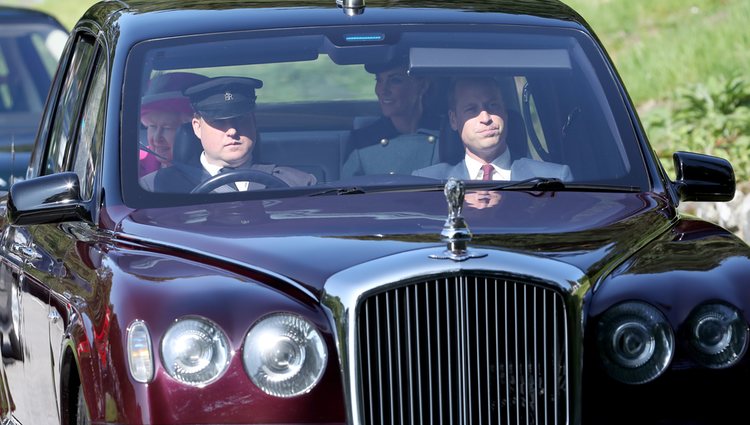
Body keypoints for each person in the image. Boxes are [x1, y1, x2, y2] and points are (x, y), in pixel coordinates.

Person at [146, 76, 317, 192]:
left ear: (253, 122)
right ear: (197, 127)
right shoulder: (156, 187)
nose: (232, 130)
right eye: (218, 121)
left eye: (240, 119)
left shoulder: (297, 184)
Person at [412, 76, 572, 181]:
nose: (486, 118)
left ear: (505, 113)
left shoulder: (554, 179)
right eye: (471, 109)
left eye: (492, 106)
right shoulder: (427, 183)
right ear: (454, 120)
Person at [341, 56, 440, 177]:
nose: (383, 90)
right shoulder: (363, 142)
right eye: (379, 80)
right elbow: (348, 193)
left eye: (395, 80)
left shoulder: (448, 135)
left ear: (423, 86)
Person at [139, 72, 209, 179]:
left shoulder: (216, 169)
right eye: (152, 126)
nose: (157, 138)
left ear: (196, 128)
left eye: (168, 128)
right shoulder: (133, 165)